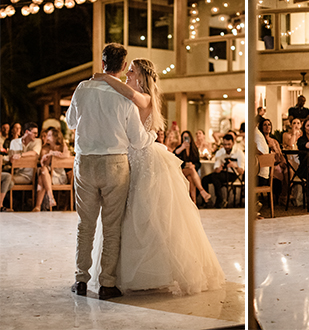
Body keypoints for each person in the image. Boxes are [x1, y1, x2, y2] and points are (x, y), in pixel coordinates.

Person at [87, 54, 224, 296]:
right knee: (127, 216)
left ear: (141, 77)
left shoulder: (144, 97)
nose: (127, 74)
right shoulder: (127, 96)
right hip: (128, 157)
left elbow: (130, 95)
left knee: (150, 216)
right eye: (127, 70)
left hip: (145, 159)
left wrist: (105, 77)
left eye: (131, 71)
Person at [66, 44, 156, 300]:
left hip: (85, 163)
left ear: (102, 62)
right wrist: (153, 136)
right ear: (123, 65)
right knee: (112, 226)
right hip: (115, 164)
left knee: (85, 225)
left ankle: (80, 280)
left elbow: (71, 122)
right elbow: (138, 141)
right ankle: (106, 283)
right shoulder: (124, 96)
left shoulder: (83, 88)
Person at [200, 134, 245, 209]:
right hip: (221, 173)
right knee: (205, 179)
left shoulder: (239, 153)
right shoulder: (220, 152)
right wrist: (219, 168)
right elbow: (216, 169)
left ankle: (220, 200)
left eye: (229, 144)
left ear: (233, 143)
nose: (227, 146)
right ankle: (207, 201)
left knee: (215, 177)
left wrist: (235, 166)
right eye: (225, 144)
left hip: (233, 174)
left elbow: (241, 172)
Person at [33, 127, 69, 211]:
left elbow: (66, 155)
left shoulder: (62, 146)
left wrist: (52, 153)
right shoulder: (45, 148)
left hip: (60, 177)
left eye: (49, 135)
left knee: (42, 177)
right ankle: (50, 198)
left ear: (55, 137)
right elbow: (43, 164)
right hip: (49, 176)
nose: (47, 137)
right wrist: (48, 156)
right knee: (43, 171)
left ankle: (38, 206)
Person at [174, 130, 212, 204]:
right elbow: (174, 155)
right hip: (180, 171)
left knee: (190, 178)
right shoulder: (180, 147)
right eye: (184, 137)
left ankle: (193, 202)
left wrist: (193, 165)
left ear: (190, 138)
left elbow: (198, 163)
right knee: (191, 170)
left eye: (187, 137)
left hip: (190, 172)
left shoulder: (194, 149)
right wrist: (182, 147)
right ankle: (202, 191)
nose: (186, 139)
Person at [8, 122, 42, 188]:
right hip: (14, 172)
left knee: (5, 180)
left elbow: (34, 152)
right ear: (27, 132)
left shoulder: (37, 141)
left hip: (26, 176)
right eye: (34, 133)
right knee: (5, 179)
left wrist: (20, 155)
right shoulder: (14, 142)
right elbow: (11, 159)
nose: (36, 135)